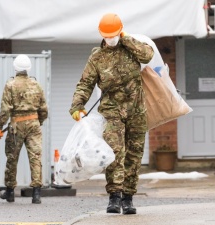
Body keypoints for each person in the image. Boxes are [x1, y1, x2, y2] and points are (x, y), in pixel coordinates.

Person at [69, 13, 154, 214]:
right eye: (107, 36)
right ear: (102, 36)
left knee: (134, 154)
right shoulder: (97, 57)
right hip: (111, 112)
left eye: (114, 34)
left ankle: (128, 198)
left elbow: (148, 55)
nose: (111, 39)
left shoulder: (132, 49)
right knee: (115, 153)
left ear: (120, 31)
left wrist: (126, 38)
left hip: (136, 111)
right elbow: (85, 84)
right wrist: (77, 106)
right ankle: (114, 197)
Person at [0, 54, 48, 204]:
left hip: (16, 125)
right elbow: (44, 109)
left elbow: (5, 109)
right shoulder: (36, 85)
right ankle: (36, 193)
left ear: (15, 68)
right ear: (28, 68)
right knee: (35, 157)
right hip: (33, 124)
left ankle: (10, 192)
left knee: (12, 158)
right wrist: (39, 122)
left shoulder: (10, 85)